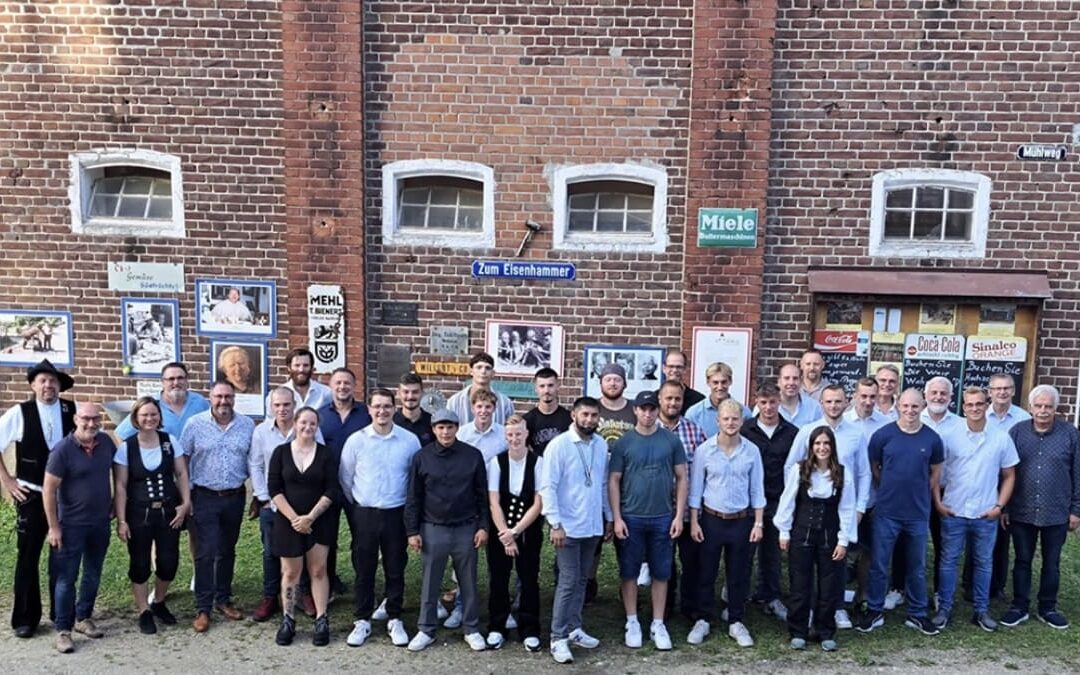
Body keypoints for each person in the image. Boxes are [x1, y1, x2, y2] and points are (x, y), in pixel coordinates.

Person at [856, 388, 943, 636]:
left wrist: (921, 490)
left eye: (915, 406)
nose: (910, 411)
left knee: (916, 566)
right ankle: (874, 611)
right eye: (905, 406)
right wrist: (887, 484)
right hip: (886, 512)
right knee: (880, 564)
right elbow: (873, 465)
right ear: (897, 406)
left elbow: (936, 470)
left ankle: (917, 614)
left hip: (918, 513)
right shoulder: (883, 435)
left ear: (922, 407)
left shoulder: (932, 439)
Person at [784, 384, 871, 629]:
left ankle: (836, 611)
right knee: (802, 572)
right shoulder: (807, 431)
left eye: (838, 401)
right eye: (829, 401)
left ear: (847, 403)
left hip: (841, 508)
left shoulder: (856, 433)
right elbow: (791, 468)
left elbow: (863, 473)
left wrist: (860, 508)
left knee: (833, 567)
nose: (834, 405)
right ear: (821, 403)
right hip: (807, 511)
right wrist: (794, 506)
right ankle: (805, 616)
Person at [931, 386, 1018, 632]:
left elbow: (1010, 475)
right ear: (963, 406)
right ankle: (944, 609)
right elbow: (936, 472)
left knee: (983, 562)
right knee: (948, 561)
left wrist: (999, 506)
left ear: (986, 404)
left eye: (979, 404)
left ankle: (981, 610)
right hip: (954, 510)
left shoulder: (1000, 437)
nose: (975, 408)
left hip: (985, 512)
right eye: (969, 404)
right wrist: (938, 502)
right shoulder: (949, 435)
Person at [0, 359, 76, 638]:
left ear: (59, 385)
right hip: (31, 494)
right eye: (42, 380)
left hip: (65, 496)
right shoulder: (20, 413)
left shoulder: (72, 410)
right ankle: (26, 618)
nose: (48, 385)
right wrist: (7, 480)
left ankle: (62, 614)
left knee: (63, 556)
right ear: (33, 385)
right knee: (28, 557)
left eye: (52, 380)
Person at [339, 388, 421, 648]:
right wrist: (358, 505)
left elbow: (414, 479)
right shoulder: (356, 440)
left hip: (396, 513)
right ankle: (362, 619)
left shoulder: (409, 441)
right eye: (377, 406)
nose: (382, 411)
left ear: (394, 409)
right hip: (365, 512)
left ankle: (394, 616)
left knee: (395, 567)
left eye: (387, 406)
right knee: (364, 568)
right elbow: (345, 477)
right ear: (369, 410)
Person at [404, 409, 489, 653]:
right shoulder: (422, 457)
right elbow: (414, 496)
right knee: (430, 582)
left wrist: (483, 526)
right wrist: (412, 531)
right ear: (433, 429)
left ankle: (471, 629)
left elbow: (481, 494)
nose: (445, 431)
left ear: (457, 427)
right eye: (440, 427)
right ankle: (426, 629)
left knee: (468, 582)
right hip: (433, 528)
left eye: (450, 426)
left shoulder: (472, 456)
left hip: (466, 527)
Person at [609, 390, 687, 651]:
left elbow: (682, 478)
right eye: (643, 409)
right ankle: (632, 621)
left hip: (663, 516)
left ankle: (657, 622)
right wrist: (617, 517)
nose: (648, 413)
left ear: (657, 411)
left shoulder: (671, 441)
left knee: (661, 571)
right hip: (631, 516)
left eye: (652, 408)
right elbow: (614, 481)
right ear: (635, 411)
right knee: (629, 571)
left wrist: (678, 515)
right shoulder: (623, 443)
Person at [687, 399, 766, 648]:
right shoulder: (704, 451)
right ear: (717, 421)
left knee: (739, 573)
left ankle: (736, 620)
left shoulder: (751, 451)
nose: (730, 423)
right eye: (726, 419)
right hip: (711, 519)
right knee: (706, 571)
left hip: (741, 520)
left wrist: (759, 523)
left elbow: (757, 489)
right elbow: (696, 488)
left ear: (742, 421)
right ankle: (703, 619)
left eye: (735, 418)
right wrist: (694, 522)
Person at [1000, 385, 1080, 630]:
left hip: (1056, 511)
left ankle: (1048, 608)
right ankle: (1019, 606)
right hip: (1022, 510)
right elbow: (1006, 472)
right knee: (1022, 560)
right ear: (1031, 407)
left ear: (1056, 409)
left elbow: (1078, 472)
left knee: (1052, 563)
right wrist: (1004, 507)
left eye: (1048, 406)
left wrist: (1076, 509)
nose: (1043, 411)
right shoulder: (1017, 432)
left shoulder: (1070, 434)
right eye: (1039, 406)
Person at [541, 397, 613, 664]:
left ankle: (574, 628)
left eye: (594, 415)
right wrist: (555, 523)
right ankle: (557, 637)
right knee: (568, 581)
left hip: (591, 525)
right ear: (574, 415)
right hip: (567, 527)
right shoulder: (559, 446)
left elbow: (603, 484)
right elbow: (547, 486)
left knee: (582, 580)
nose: (589, 420)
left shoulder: (601, 444)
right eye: (585, 415)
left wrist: (608, 517)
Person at [180, 380, 255, 633]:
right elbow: (184, 460)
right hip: (204, 496)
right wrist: (185, 496)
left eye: (229, 396)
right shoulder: (195, 424)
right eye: (219, 396)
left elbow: (253, 460)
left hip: (234, 496)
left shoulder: (246, 425)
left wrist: (258, 495)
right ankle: (203, 608)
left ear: (235, 398)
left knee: (227, 550)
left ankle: (223, 598)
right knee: (205, 552)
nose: (224, 401)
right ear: (210, 398)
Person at [43, 403, 117, 654]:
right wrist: (54, 527)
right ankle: (63, 630)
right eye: (86, 418)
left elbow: (118, 475)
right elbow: (49, 490)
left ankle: (83, 617)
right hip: (70, 525)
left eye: (96, 418)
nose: (91, 423)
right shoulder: (62, 450)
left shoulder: (106, 443)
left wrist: (116, 503)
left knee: (93, 573)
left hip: (99, 523)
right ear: (76, 419)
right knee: (66, 578)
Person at [114, 397, 191, 635]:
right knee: (139, 562)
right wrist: (122, 520)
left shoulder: (170, 442)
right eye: (144, 415)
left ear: (160, 417)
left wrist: (185, 503)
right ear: (136, 418)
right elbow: (120, 486)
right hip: (139, 513)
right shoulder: (127, 447)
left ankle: (158, 601)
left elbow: (181, 473)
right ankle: (143, 611)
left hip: (168, 512)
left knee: (168, 562)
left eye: (154, 414)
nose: (150, 419)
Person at [775, 426, 856, 651]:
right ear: (811, 447)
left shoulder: (842, 472)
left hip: (830, 536)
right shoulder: (799, 470)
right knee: (800, 584)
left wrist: (843, 540)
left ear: (832, 447)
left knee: (829, 585)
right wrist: (784, 531)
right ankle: (798, 630)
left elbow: (847, 507)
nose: (822, 448)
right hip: (802, 534)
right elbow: (788, 501)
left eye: (826, 444)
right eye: (817, 443)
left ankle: (825, 631)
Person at [249, 388, 326, 622]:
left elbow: (320, 461)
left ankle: (304, 595)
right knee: (272, 552)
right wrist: (265, 498)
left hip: (306, 509)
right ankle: (270, 597)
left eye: (286, 404)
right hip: (273, 505)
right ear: (271, 407)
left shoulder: (306, 426)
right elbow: (256, 464)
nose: (282, 409)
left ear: (294, 405)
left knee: (303, 551)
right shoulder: (261, 432)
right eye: (277, 405)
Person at [268, 407, 340, 646]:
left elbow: (332, 489)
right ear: (295, 424)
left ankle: (321, 619)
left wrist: (310, 517)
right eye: (303, 423)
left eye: (312, 424)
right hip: (287, 522)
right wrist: (294, 519)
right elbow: (274, 489)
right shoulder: (280, 453)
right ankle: (288, 619)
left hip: (319, 521)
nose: (308, 428)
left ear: (317, 427)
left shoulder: (326, 454)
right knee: (291, 573)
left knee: (318, 571)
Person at [966, 372, 1030, 603]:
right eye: (997, 389)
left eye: (1007, 388)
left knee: (1001, 538)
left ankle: (997, 585)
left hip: (1009, 481)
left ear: (1013, 391)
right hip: (980, 482)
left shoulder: (1023, 418)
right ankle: (969, 584)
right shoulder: (980, 414)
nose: (1002, 392)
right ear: (989, 392)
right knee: (974, 536)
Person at [741, 382, 799, 623]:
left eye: (773, 402)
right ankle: (739, 597)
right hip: (748, 502)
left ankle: (771, 596)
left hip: (778, 500)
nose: (768, 407)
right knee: (744, 553)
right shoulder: (745, 430)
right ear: (756, 402)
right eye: (763, 402)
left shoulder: (792, 432)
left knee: (772, 553)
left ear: (779, 402)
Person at [486, 415, 545, 651]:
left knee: (529, 580)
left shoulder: (538, 462)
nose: (514, 438)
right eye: (510, 434)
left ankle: (529, 628)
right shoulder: (497, 462)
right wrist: (504, 534)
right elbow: (493, 501)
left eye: (518, 433)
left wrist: (517, 531)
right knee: (498, 580)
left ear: (526, 434)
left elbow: (538, 503)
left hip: (528, 533)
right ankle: (496, 627)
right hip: (499, 532)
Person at [316, 367, 370, 601]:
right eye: (338, 383)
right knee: (327, 540)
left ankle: (363, 587)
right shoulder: (320, 415)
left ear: (354, 386)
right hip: (326, 488)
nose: (342, 387)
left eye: (347, 383)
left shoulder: (365, 414)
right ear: (330, 385)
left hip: (357, 487)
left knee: (361, 540)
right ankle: (327, 586)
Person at [657, 380, 707, 620]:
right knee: (663, 562)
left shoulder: (694, 431)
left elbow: (703, 469)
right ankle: (663, 609)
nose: (673, 403)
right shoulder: (648, 429)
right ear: (660, 400)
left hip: (688, 511)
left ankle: (690, 608)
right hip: (659, 510)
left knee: (692, 562)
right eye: (668, 398)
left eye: (677, 399)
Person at [115, 362, 209, 440]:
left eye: (180, 378)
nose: (176, 383)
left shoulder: (200, 403)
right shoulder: (150, 405)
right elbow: (120, 435)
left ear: (186, 380)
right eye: (171, 379)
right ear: (163, 382)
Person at [686, 361, 753, 436]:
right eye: (715, 382)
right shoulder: (694, 414)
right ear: (708, 382)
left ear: (730, 381)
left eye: (723, 382)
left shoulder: (745, 413)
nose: (720, 387)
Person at [446, 352, 514, 425]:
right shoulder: (454, 402)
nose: (483, 371)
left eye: (487, 368)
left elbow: (511, 431)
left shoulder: (505, 403)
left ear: (493, 373)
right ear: (471, 371)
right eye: (479, 367)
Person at [523, 367, 571, 457]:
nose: (546, 391)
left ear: (558, 386)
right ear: (536, 389)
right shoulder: (527, 420)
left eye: (550, 385)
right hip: (538, 468)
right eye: (542, 386)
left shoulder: (570, 419)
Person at [268, 347, 332, 411]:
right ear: (289, 368)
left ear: (312, 368)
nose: (301, 370)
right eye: (297, 365)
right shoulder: (274, 396)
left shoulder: (326, 393)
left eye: (306, 365)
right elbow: (270, 420)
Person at [457, 388, 508, 463]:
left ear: (494, 408)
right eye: (479, 406)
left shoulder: (504, 434)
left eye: (488, 407)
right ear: (472, 409)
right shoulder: (461, 434)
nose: (483, 411)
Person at [595, 363, 637, 446]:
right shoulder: (591, 407)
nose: (612, 383)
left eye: (617, 380)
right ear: (601, 384)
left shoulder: (636, 409)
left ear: (624, 384)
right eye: (608, 380)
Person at [658, 350, 705, 415]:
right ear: (663, 368)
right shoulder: (654, 398)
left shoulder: (698, 401)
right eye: (671, 366)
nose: (674, 370)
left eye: (679, 367)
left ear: (685, 369)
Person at [394, 373, 434, 447]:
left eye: (415, 392)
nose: (410, 396)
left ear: (422, 393)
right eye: (406, 392)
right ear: (399, 393)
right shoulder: (391, 422)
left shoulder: (432, 422)